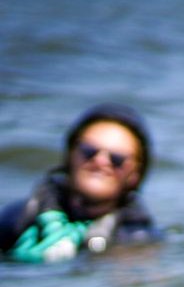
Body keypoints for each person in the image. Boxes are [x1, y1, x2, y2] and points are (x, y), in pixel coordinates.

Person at [1, 103, 160, 264]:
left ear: (135, 174)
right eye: (89, 151)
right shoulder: (21, 216)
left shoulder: (138, 241)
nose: (100, 161)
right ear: (71, 153)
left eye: (116, 159)